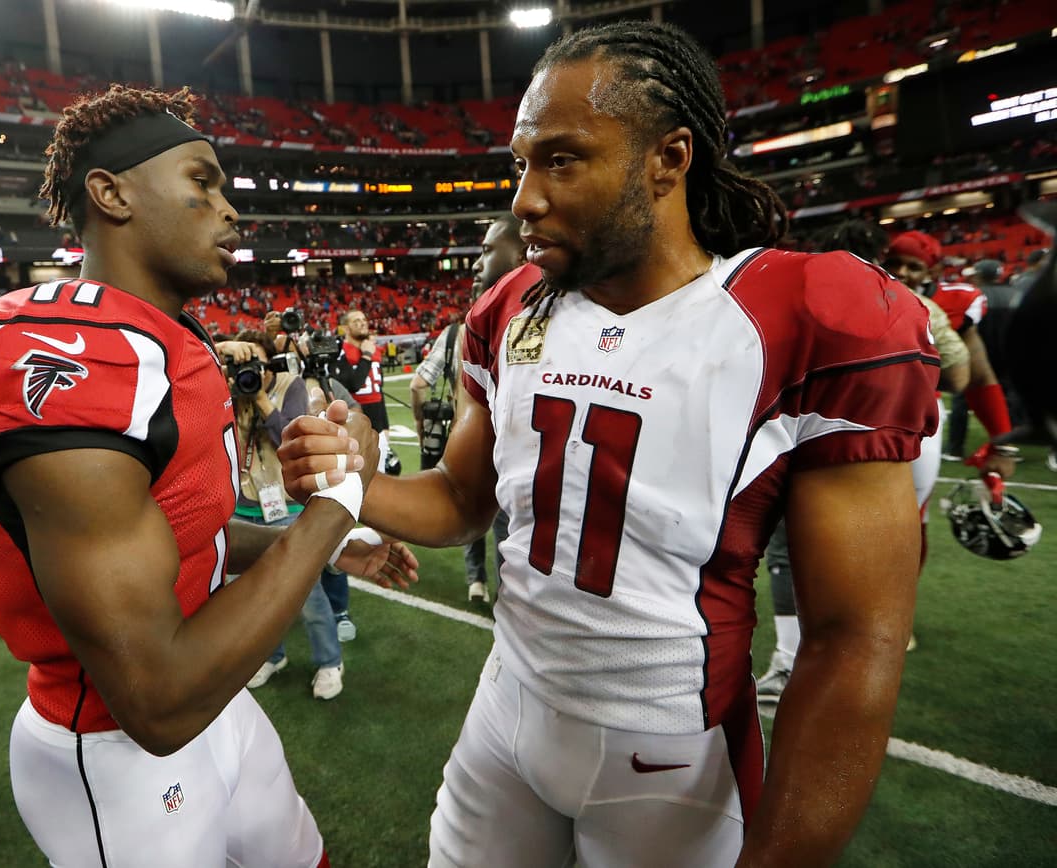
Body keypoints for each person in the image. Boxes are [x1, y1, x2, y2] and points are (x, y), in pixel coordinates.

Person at [284, 22, 939, 866]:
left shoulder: (796, 316)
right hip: (505, 711)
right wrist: (360, 482)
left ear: (669, 157)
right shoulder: (518, 304)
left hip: (669, 759)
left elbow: (853, 640)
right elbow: (457, 502)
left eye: (561, 159)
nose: (524, 196)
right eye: (521, 162)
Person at [0, 85, 416, 867]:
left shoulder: (164, 339)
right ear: (112, 193)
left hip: (217, 704)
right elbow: (155, 701)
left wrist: (324, 545)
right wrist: (339, 503)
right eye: (201, 181)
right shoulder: (61, 349)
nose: (229, 207)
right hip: (114, 753)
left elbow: (181, 531)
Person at [756, 219, 968, 696]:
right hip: (914, 432)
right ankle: (875, 648)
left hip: (827, 428)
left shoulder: (801, 283)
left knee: (792, 547)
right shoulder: (921, 304)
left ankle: (794, 661)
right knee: (892, 542)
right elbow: (962, 373)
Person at [222, 329, 345, 701]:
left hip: (285, 504)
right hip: (245, 503)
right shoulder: (226, 388)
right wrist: (221, 350)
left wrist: (260, 398)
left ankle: (329, 662)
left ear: (269, 362)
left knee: (306, 592)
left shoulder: (291, 385)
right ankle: (272, 656)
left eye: (256, 364)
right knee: (255, 596)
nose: (250, 371)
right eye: (243, 364)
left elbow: (289, 442)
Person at [411, 214, 524, 603]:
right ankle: (491, 587)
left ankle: (489, 587)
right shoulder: (471, 330)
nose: (477, 263)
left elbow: (419, 385)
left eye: (488, 250)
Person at [885, 230, 1016, 479]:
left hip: (916, 413)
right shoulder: (863, 289)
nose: (900, 272)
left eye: (913, 267)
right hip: (855, 409)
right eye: (893, 263)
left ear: (932, 273)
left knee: (913, 508)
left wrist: (1002, 447)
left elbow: (979, 377)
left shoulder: (952, 301)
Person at [326, 308, 391, 638]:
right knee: (360, 487)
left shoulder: (373, 348)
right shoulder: (346, 351)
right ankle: (353, 540)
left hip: (380, 424)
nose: (363, 325)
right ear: (345, 328)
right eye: (357, 322)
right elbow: (347, 385)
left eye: (366, 320)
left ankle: (381, 537)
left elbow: (376, 389)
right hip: (358, 428)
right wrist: (364, 357)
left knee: (386, 485)